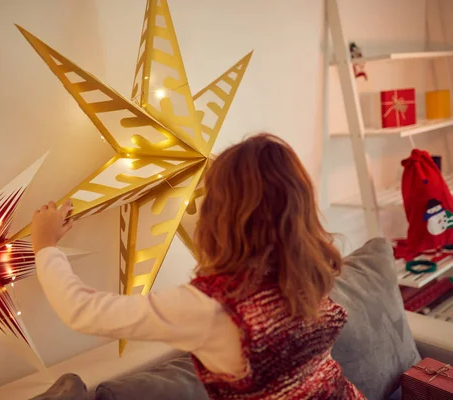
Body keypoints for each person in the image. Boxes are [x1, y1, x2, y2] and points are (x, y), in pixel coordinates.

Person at [31, 133, 365, 399]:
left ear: (220, 214)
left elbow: (82, 310)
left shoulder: (210, 309)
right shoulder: (308, 272)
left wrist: (45, 247)